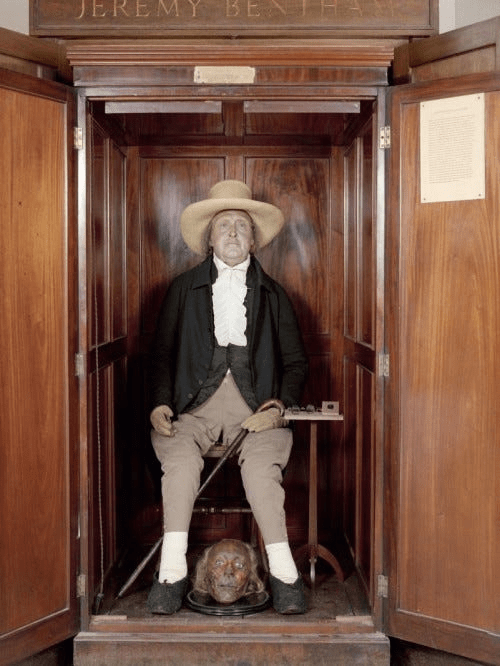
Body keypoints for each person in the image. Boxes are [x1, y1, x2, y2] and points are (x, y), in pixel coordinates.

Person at [146, 179, 308, 615]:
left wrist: (277, 408)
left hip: (257, 413)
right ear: (209, 238)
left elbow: (296, 364)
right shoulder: (183, 289)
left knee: (261, 473)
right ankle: (171, 573)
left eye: (242, 226)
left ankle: (285, 575)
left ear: (254, 239)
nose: (233, 233)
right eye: (224, 225)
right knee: (180, 466)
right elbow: (161, 355)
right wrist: (160, 403)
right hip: (192, 410)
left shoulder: (275, 295)